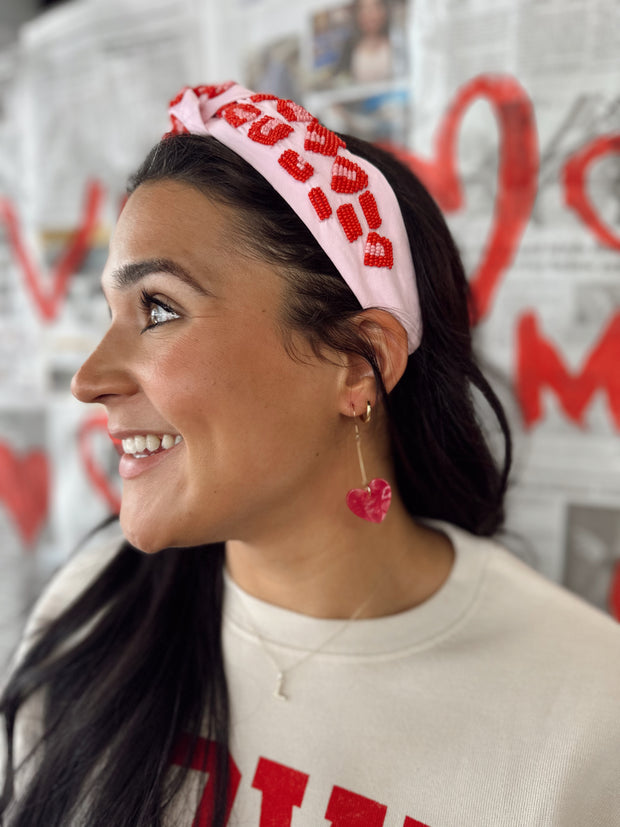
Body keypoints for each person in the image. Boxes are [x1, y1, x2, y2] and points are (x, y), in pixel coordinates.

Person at [1, 82, 619, 827]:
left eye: (157, 308)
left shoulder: (590, 716)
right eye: (112, 312)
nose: (88, 379)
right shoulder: (92, 610)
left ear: (358, 362)